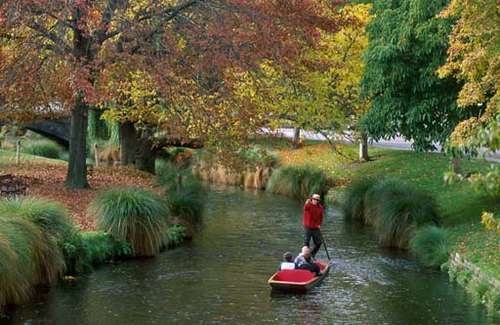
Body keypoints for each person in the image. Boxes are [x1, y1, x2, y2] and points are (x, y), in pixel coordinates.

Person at [302, 193, 324, 258]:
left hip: (316, 227)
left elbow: (321, 217)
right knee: (306, 242)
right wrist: (307, 202)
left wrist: (319, 224)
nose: (315, 201)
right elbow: (305, 208)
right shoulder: (308, 205)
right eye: (314, 199)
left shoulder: (320, 207)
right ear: (311, 199)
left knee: (319, 243)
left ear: (318, 201)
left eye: (317, 200)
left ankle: (312, 254)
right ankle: (305, 256)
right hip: (308, 227)